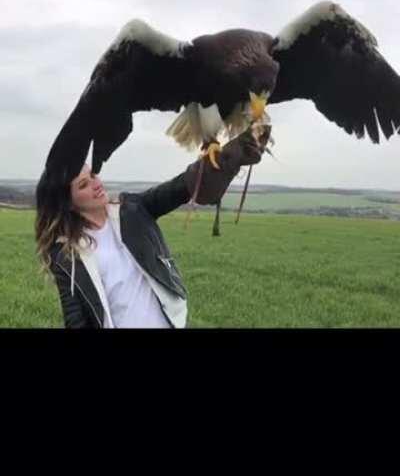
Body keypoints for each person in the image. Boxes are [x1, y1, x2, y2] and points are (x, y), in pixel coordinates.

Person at [35, 125, 270, 329]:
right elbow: (75, 317)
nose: (96, 184)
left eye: (94, 175)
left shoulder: (132, 209)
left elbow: (179, 188)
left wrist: (229, 157)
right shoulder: (66, 252)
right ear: (69, 203)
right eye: (84, 185)